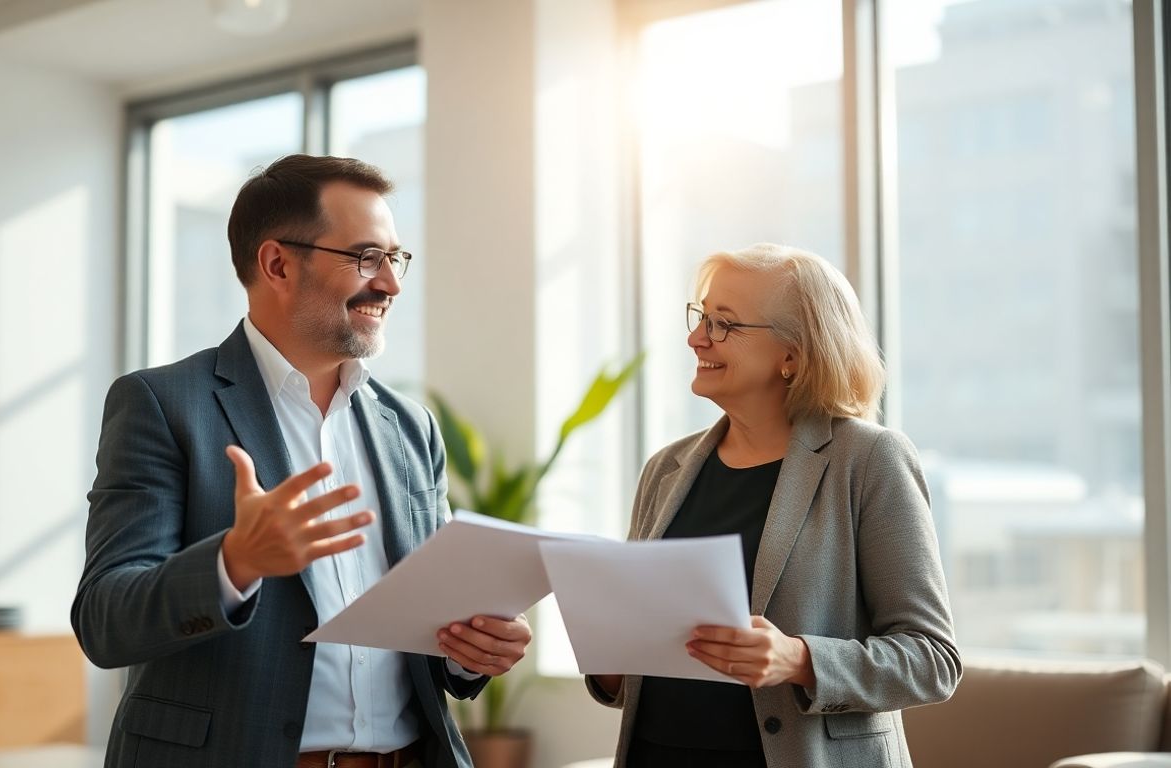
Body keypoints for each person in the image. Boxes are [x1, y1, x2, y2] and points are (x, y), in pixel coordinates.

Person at [72, 154, 531, 768]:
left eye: (396, 259)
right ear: (277, 263)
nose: (391, 283)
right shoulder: (161, 405)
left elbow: (429, 626)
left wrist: (467, 648)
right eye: (366, 257)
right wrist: (236, 562)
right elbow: (106, 618)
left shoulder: (410, 426)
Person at [586, 243, 961, 768]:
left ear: (794, 354)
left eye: (725, 324)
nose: (696, 338)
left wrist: (800, 660)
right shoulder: (665, 469)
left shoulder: (870, 459)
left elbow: (932, 660)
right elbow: (636, 668)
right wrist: (609, 658)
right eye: (701, 318)